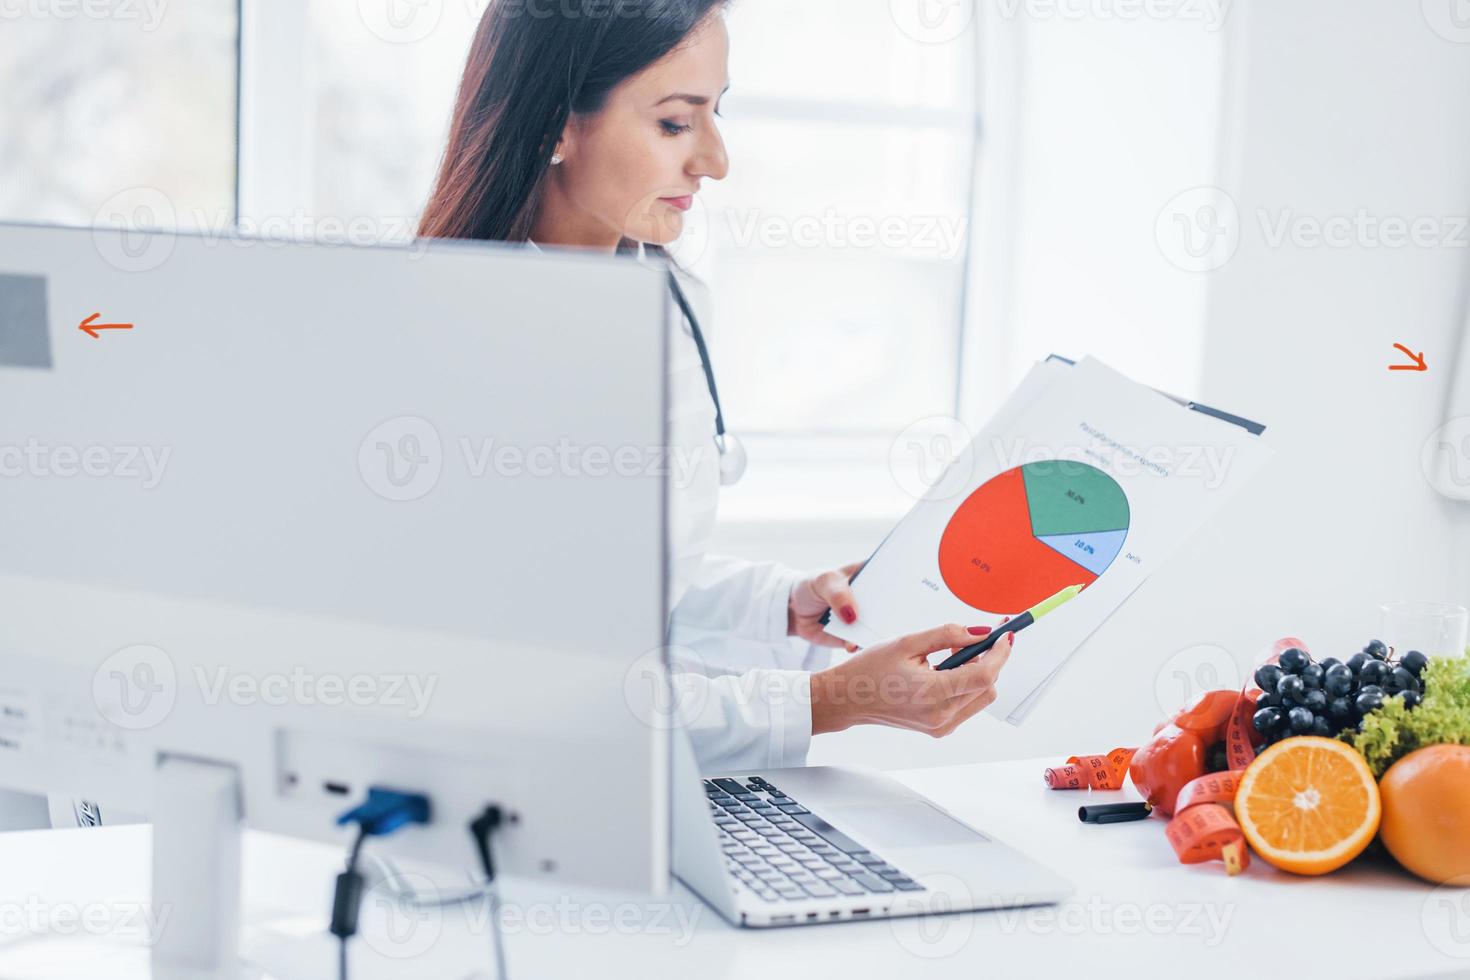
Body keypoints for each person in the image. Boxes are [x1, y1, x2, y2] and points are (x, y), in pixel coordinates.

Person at [418, 0, 1011, 771]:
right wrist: (830, 703)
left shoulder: (660, 299)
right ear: (555, 123)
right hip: (510, 804)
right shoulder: (465, 348)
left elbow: (617, 595)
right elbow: (537, 681)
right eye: (675, 123)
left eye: (716, 114)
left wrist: (783, 605)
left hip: (641, 794)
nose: (716, 161)